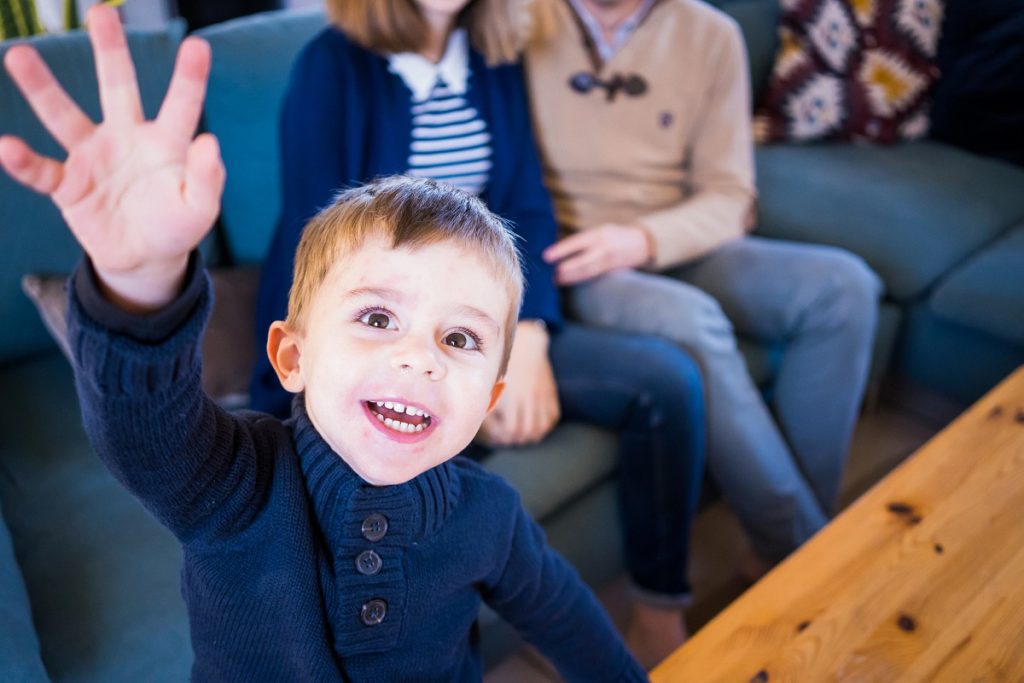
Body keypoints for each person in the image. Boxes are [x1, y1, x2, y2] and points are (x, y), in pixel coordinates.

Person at [0, 8, 648, 680]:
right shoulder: (232, 482)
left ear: (491, 396)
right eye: (376, 318)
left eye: (458, 337)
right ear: (292, 356)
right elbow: (143, 431)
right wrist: (137, 280)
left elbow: (568, 617)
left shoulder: (489, 513)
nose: (419, 355)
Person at [252, 0, 706, 665]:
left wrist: (531, 337)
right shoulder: (333, 65)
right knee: (422, 504)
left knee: (669, 381)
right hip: (376, 337)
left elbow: (524, 201)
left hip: (473, 329)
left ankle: (660, 613)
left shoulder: (492, 58)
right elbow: (319, 241)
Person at [526, 0, 881, 578]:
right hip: (574, 259)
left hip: (673, 239)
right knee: (687, 319)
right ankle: (808, 558)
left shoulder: (711, 33)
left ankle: (784, 541)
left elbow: (729, 194)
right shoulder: (514, 21)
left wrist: (644, 238)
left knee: (845, 288)